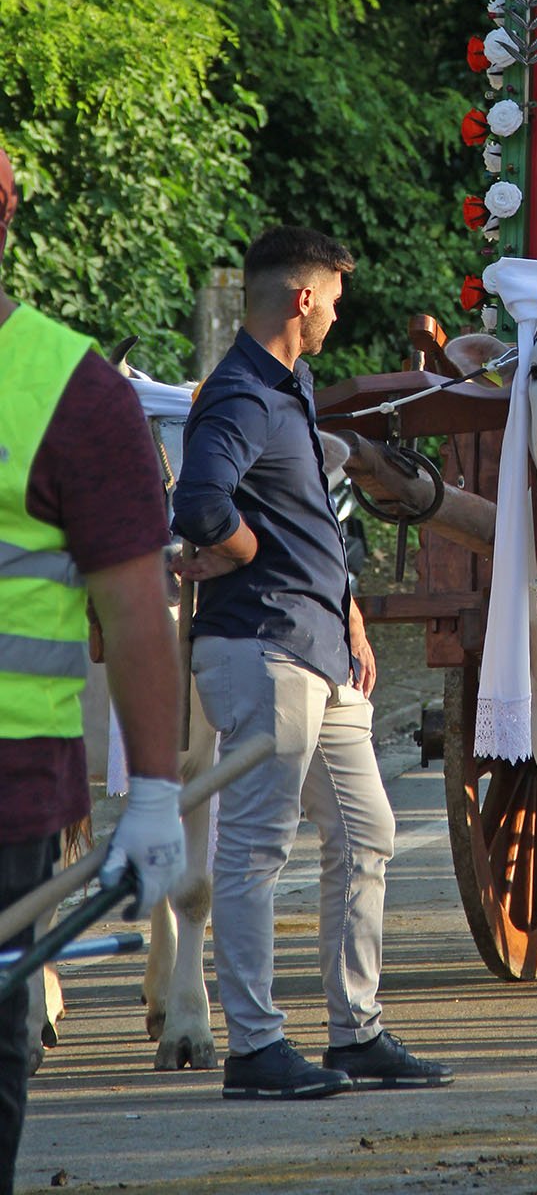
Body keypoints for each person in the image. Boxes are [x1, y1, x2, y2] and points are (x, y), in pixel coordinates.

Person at [170, 226, 453, 1100]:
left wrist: (352, 612)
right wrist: (244, 548)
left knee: (367, 833)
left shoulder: (287, 386)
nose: (336, 311)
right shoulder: (244, 394)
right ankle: (255, 1051)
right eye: (331, 297)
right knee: (256, 850)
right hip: (262, 650)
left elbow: (306, 521)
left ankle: (354, 1033)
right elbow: (201, 499)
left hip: (316, 649)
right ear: (301, 299)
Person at [0, 146, 186, 1195]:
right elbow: (134, 609)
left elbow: (135, 610)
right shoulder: (79, 392)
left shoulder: (71, 391)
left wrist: (154, 795)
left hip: (13, 799)